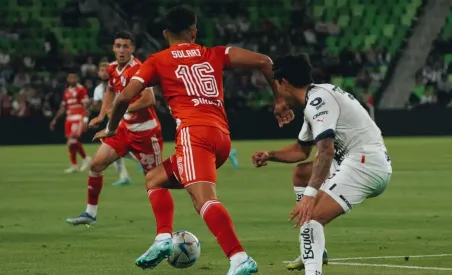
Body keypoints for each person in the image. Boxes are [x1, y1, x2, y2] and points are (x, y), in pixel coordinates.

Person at [93, 6, 293, 274]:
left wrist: (112, 127)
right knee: (154, 178)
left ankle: (239, 257)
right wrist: (279, 100)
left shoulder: (157, 60)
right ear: (194, 31)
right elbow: (265, 61)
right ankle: (163, 238)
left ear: (165, 34)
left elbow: (123, 97)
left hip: (193, 134)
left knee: (203, 200)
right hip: (221, 136)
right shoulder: (215, 53)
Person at [253, 54, 392, 275]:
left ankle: (313, 269)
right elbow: (301, 151)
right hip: (358, 161)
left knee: (311, 215)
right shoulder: (316, 97)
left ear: (284, 83)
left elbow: (326, 150)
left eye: (276, 84)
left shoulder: (318, 102)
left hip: (364, 165)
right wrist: (269, 154)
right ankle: (314, 249)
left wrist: (309, 196)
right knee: (301, 173)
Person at [66, 31, 165, 226]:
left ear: (132, 49)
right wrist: (103, 115)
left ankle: (164, 229)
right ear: (113, 48)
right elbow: (111, 90)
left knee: (155, 181)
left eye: (126, 46)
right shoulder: (112, 69)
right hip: (123, 129)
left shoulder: (139, 69)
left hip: (146, 132)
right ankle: (90, 213)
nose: (121, 50)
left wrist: (119, 108)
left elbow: (149, 99)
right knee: (96, 165)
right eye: (118, 46)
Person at [92, 61, 142, 186]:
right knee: (113, 147)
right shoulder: (98, 89)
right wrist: (100, 113)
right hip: (113, 121)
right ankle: (128, 172)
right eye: (101, 70)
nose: (104, 73)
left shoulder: (121, 81)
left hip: (126, 118)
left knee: (112, 146)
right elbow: (99, 104)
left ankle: (139, 163)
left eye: (106, 70)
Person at [50, 72, 92, 173]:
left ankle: (86, 158)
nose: (71, 79)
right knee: (71, 142)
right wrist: (55, 119)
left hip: (78, 117)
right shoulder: (66, 92)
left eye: (73, 77)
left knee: (72, 141)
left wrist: (85, 119)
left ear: (77, 79)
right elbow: (63, 107)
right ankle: (74, 165)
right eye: (70, 78)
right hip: (69, 118)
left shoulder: (81, 89)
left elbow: (86, 105)